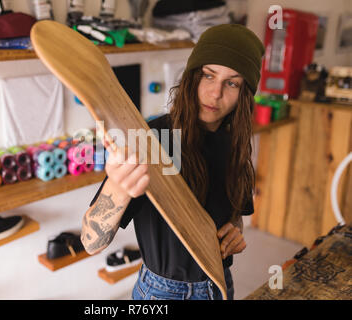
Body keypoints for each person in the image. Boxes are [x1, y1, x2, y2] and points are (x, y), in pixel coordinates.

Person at [81, 23, 265, 300]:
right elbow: (90, 242)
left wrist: (234, 232)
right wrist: (117, 187)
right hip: (162, 293)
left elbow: (234, 215)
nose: (215, 93)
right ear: (192, 76)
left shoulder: (234, 145)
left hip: (219, 284)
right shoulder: (157, 139)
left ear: (244, 93)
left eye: (231, 83)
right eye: (208, 76)